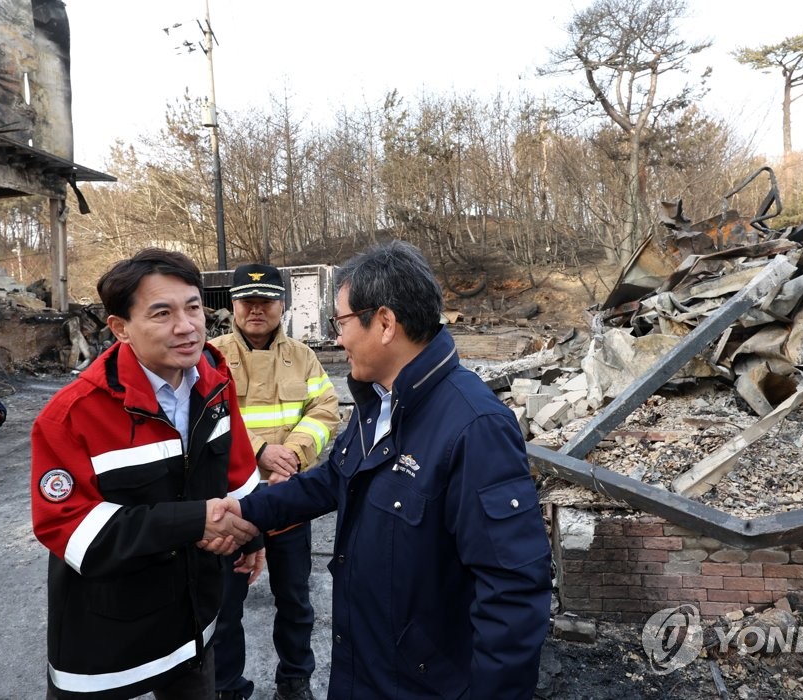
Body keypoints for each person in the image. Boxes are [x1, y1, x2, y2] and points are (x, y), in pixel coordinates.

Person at [210, 240, 552, 699]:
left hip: (420, 682)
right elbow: (333, 479)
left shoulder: (474, 427)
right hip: (365, 667)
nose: (337, 338)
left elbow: (513, 596)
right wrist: (248, 510)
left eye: (342, 322)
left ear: (386, 323)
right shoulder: (381, 402)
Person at [30, 248, 262, 700]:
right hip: (107, 640)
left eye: (193, 307)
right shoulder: (73, 415)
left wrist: (252, 535)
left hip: (194, 622)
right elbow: (70, 529)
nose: (187, 325)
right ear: (120, 328)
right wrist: (195, 521)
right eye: (162, 313)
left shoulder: (214, 381)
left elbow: (237, 472)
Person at [211, 264, 340, 700]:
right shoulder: (210, 356)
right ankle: (228, 688)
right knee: (224, 607)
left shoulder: (303, 356)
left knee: (295, 600)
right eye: (247, 301)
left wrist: (296, 453)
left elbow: (325, 409)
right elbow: (201, 421)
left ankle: (295, 680)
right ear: (233, 305)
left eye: (266, 300)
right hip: (230, 503)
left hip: (287, 497)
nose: (256, 309)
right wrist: (259, 451)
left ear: (282, 305)